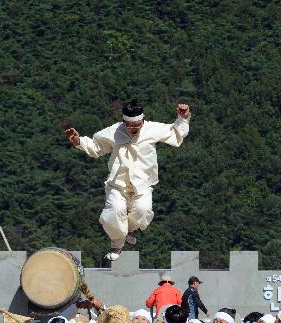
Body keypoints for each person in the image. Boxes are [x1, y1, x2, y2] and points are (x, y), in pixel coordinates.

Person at [65, 98, 191, 261]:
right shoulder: (113, 132)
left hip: (143, 183)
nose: (133, 129)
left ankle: (130, 230)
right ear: (124, 122)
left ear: (143, 121)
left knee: (143, 211)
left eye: (137, 125)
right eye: (130, 125)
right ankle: (117, 244)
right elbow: (96, 147)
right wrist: (79, 141)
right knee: (115, 210)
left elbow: (175, 134)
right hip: (118, 184)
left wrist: (182, 118)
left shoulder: (152, 129)